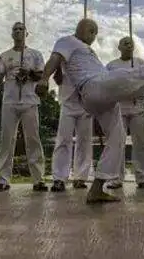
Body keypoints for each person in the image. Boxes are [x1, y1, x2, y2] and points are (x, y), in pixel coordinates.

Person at [35, 19, 144, 204]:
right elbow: (54, 59)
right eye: (92, 31)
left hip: (97, 95)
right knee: (137, 75)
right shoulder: (67, 41)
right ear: (85, 29)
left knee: (117, 138)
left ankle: (97, 188)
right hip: (94, 86)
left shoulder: (89, 51)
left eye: (95, 33)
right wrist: (44, 79)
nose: (94, 36)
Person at [0, 22, 47, 192]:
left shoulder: (35, 54)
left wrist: (28, 73)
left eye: (21, 29)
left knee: (33, 140)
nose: (18, 31)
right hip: (10, 101)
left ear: (26, 33)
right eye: (15, 29)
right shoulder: (4, 55)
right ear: (11, 34)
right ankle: (3, 179)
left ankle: (39, 179)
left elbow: (41, 75)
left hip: (29, 101)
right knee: (7, 140)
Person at [105, 37, 144, 190]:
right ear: (119, 47)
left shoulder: (141, 64)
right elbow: (106, 85)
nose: (128, 45)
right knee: (117, 144)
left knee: (141, 144)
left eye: (130, 43)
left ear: (134, 47)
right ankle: (115, 178)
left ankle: (143, 178)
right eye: (125, 43)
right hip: (118, 108)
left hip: (137, 108)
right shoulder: (111, 66)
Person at [49, 63, 93, 192]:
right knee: (63, 140)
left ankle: (80, 177)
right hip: (67, 103)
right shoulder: (63, 56)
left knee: (84, 141)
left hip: (85, 103)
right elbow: (57, 80)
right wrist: (58, 65)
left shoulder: (87, 57)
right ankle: (59, 178)